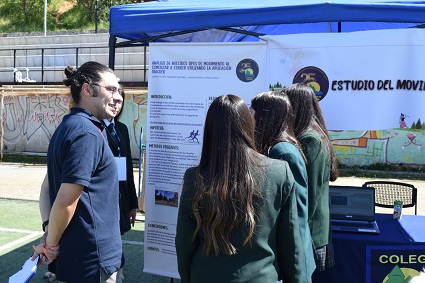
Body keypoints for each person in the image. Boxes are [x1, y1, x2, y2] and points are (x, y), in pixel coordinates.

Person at [175, 94, 305, 283]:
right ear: (248, 124)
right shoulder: (279, 172)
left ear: (210, 129)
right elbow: (291, 243)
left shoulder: (194, 177)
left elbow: (184, 243)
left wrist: (189, 278)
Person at [32, 61, 124, 282]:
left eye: (118, 90)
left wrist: (48, 232)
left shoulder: (69, 127)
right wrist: (51, 243)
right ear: (87, 89)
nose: (118, 96)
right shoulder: (86, 133)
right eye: (110, 89)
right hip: (92, 260)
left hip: (82, 257)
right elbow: (65, 201)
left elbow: (47, 189)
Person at [250, 91, 316, 282]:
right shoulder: (277, 148)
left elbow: (296, 213)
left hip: (294, 254)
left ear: (265, 117)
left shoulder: (282, 152)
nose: (249, 119)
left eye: (252, 113)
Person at [283, 83, 339, 272]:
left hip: (312, 233)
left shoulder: (311, 140)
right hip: (312, 230)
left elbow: (310, 193)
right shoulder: (313, 134)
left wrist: (298, 234)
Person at [103, 87, 139, 235]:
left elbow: (127, 168)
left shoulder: (122, 129)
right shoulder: (94, 128)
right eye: (113, 101)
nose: (116, 106)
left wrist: (132, 204)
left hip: (121, 194)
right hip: (104, 196)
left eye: (120, 101)